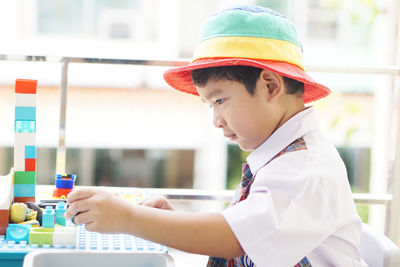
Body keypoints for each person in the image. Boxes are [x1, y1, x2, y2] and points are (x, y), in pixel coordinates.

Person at [65, 5, 367, 267]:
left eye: (220, 101)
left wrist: (129, 218)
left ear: (271, 86)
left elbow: (235, 238)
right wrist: (172, 223)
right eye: (209, 105)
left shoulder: (306, 169)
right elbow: (241, 235)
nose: (215, 120)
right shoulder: (280, 156)